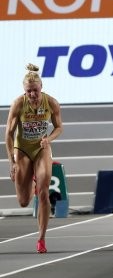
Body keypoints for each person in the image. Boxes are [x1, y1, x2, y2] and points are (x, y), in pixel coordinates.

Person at [5, 64, 63, 254]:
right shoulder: (18, 104)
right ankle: (29, 179)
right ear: (24, 91)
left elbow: (59, 127)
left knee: (44, 193)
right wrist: (12, 162)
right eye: (28, 91)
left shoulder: (51, 103)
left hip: (41, 148)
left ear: (41, 88)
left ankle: (41, 238)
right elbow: (8, 134)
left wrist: (49, 139)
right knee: (23, 201)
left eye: (35, 91)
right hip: (22, 149)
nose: (32, 95)